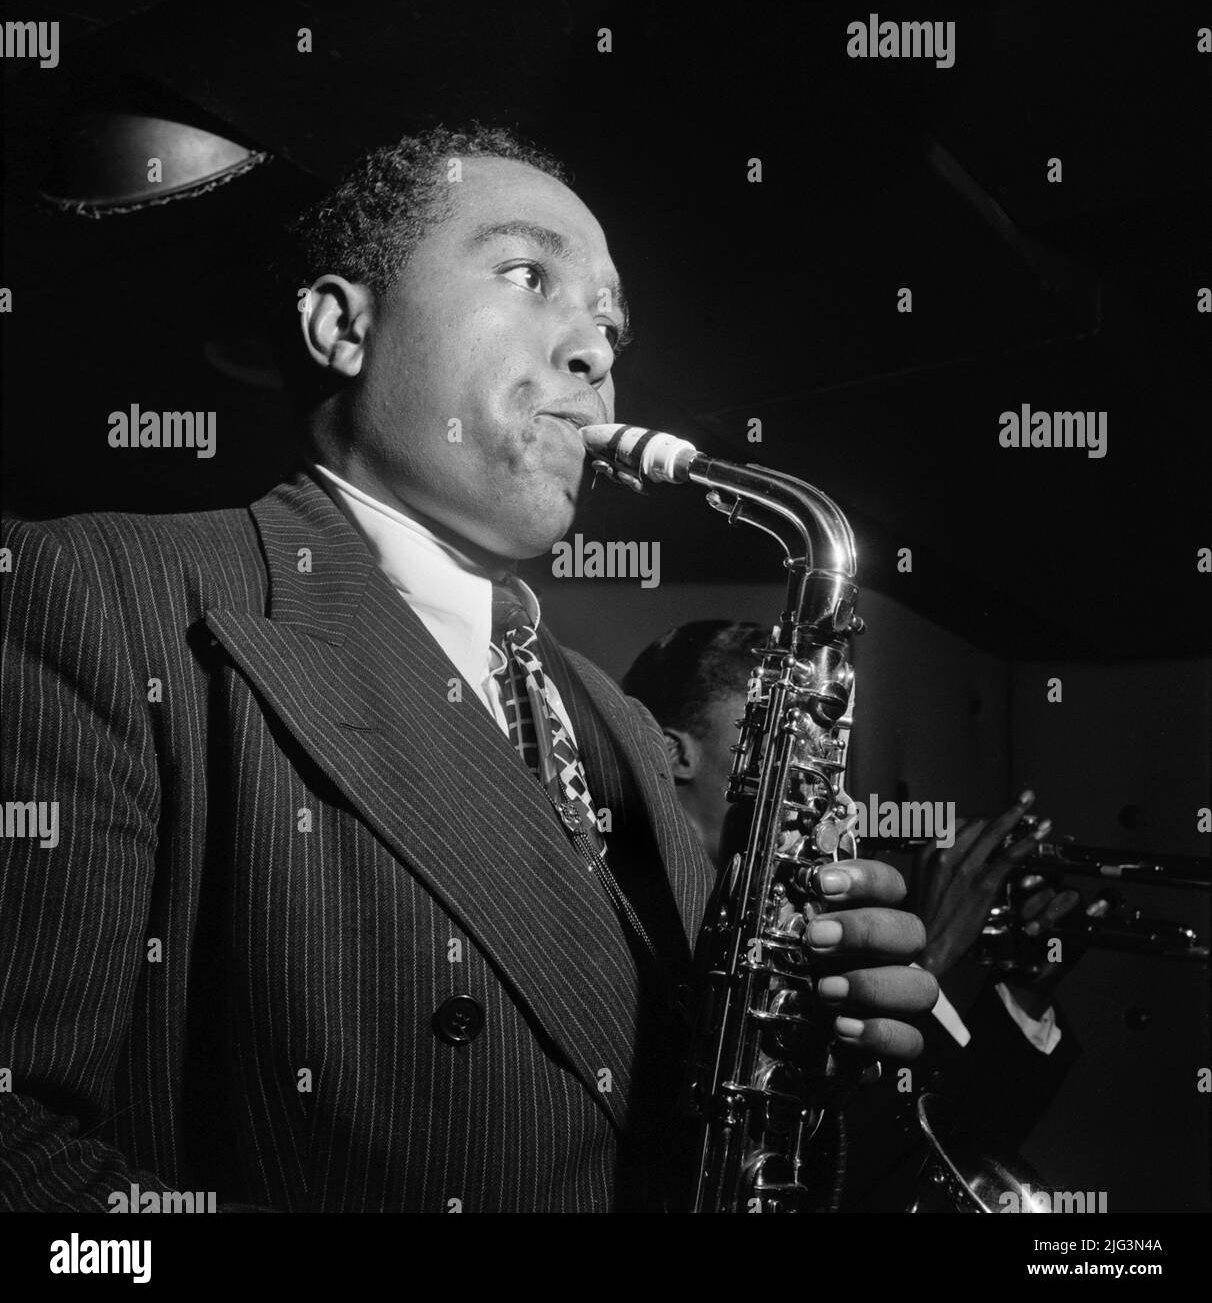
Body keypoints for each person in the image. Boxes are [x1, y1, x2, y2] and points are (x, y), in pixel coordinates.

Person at [0, 127, 937, 1213]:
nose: (595, 352)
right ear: (342, 325)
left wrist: (808, 1057)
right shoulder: (102, 589)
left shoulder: (617, 723)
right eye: (529, 275)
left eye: (610, 322)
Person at [623, 620, 1083, 1208]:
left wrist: (1023, 999)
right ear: (672, 753)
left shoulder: (800, 924)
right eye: (783, 752)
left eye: (822, 765)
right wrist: (932, 960)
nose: (820, 796)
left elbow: (924, 1156)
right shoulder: (633, 926)